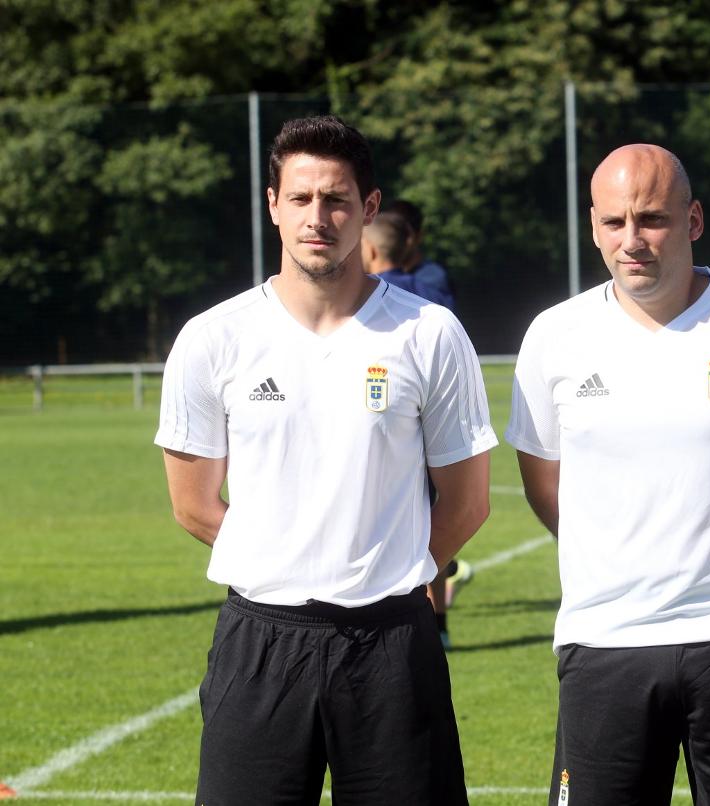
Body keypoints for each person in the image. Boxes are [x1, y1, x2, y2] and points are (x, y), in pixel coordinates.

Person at [155, 115, 496, 805]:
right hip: (260, 639)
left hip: (393, 643)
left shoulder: (429, 334)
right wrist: (292, 560)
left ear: (368, 209)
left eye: (337, 200)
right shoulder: (213, 338)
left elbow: (467, 502)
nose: (318, 217)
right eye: (301, 198)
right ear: (274, 205)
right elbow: (192, 504)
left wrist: (384, 569)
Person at [506, 144, 710, 805]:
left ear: (693, 220)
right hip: (605, 640)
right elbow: (545, 484)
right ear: (594, 227)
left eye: (652, 219)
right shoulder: (555, 335)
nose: (632, 240)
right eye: (614, 221)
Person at [363, 209, 474, 645]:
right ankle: (438, 624)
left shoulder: (367, 297)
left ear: (370, 250)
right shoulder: (432, 290)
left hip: (387, 425)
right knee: (433, 519)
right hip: (436, 421)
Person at [390, 199, 456, 310]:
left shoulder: (432, 276)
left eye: (400, 235)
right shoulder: (376, 273)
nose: (392, 242)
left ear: (417, 236)